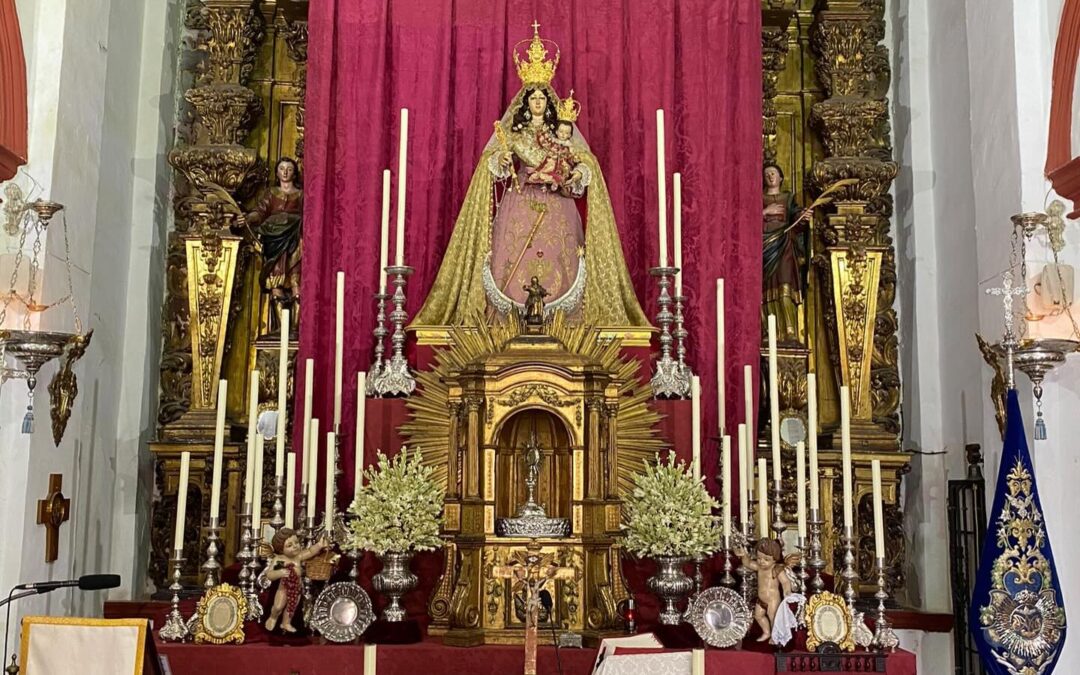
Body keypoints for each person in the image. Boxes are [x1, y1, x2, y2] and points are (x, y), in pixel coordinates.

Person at [412, 25, 648, 328]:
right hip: (520, 199)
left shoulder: (560, 133)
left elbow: (585, 162)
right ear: (526, 103)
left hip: (555, 203)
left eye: (541, 99)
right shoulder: (514, 133)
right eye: (533, 98)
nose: (537, 102)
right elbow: (492, 162)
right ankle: (509, 326)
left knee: (560, 256)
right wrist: (503, 159)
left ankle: (562, 326)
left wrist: (572, 173)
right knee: (510, 257)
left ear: (548, 103)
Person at [244, 157, 303, 328]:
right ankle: (280, 329)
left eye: (289, 169)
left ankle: (295, 328)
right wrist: (248, 217)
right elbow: (260, 212)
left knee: (295, 280)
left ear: (294, 173)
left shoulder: (300, 195)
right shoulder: (271, 193)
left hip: (294, 240)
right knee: (275, 282)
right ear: (277, 173)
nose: (285, 172)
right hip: (274, 241)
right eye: (282, 168)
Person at [762, 163, 805, 343]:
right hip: (765, 247)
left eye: (774, 173)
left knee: (785, 286)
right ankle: (771, 332)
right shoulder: (760, 198)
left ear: (780, 178)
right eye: (767, 174)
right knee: (767, 290)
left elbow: (796, 219)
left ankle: (789, 329)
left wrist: (803, 216)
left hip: (784, 245)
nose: (770, 176)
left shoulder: (788, 198)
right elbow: (746, 222)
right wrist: (765, 211)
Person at [263, 528, 327, 633]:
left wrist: (319, 545)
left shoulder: (298, 557)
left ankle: (286, 623)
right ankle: (273, 617)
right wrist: (280, 572)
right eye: (289, 545)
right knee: (278, 606)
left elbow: (310, 551)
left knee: (291, 608)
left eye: (296, 542)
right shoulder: (280, 560)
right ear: (280, 549)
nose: (295, 546)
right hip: (283, 589)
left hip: (296, 589)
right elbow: (270, 575)